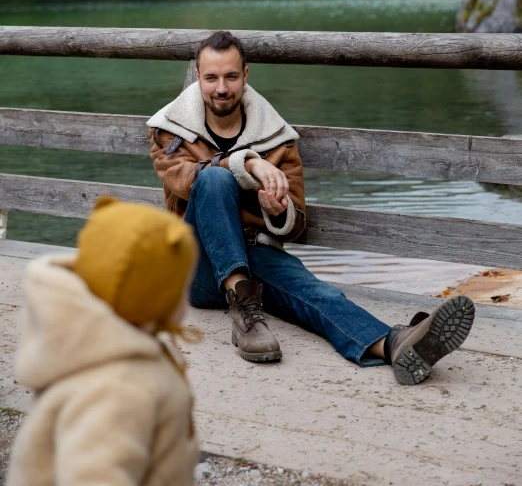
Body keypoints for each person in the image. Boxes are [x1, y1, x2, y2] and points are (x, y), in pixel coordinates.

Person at [148, 30, 475, 386]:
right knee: (214, 180)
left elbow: (296, 223)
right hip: (198, 268)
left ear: (246, 75)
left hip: (256, 254)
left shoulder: (276, 137)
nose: (221, 88)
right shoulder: (171, 130)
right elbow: (185, 178)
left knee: (314, 291)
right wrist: (251, 164)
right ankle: (245, 314)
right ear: (198, 77)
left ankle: (393, 344)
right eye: (211, 78)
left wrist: (276, 211)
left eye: (230, 76)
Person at [6, 197, 200, 486]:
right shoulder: (118, 388)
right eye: (181, 287)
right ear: (150, 295)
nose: (186, 297)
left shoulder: (120, 346)